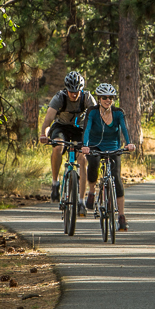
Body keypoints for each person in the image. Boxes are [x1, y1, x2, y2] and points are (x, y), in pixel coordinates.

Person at [79, 83, 137, 231]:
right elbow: (87, 129)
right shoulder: (92, 112)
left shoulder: (118, 113)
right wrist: (85, 145)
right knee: (94, 164)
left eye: (110, 98)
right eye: (104, 97)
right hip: (94, 145)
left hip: (113, 147)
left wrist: (129, 143)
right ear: (99, 98)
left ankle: (122, 216)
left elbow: (124, 128)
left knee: (117, 178)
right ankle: (92, 191)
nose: (108, 100)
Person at [38, 71, 95, 216]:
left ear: (81, 90)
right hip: (61, 127)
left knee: (82, 159)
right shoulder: (59, 98)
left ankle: (81, 201)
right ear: (66, 89)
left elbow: (97, 119)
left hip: (80, 129)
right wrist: (43, 134)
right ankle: (55, 183)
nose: (74, 95)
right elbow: (47, 121)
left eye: (77, 92)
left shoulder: (87, 98)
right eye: (71, 91)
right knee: (58, 146)